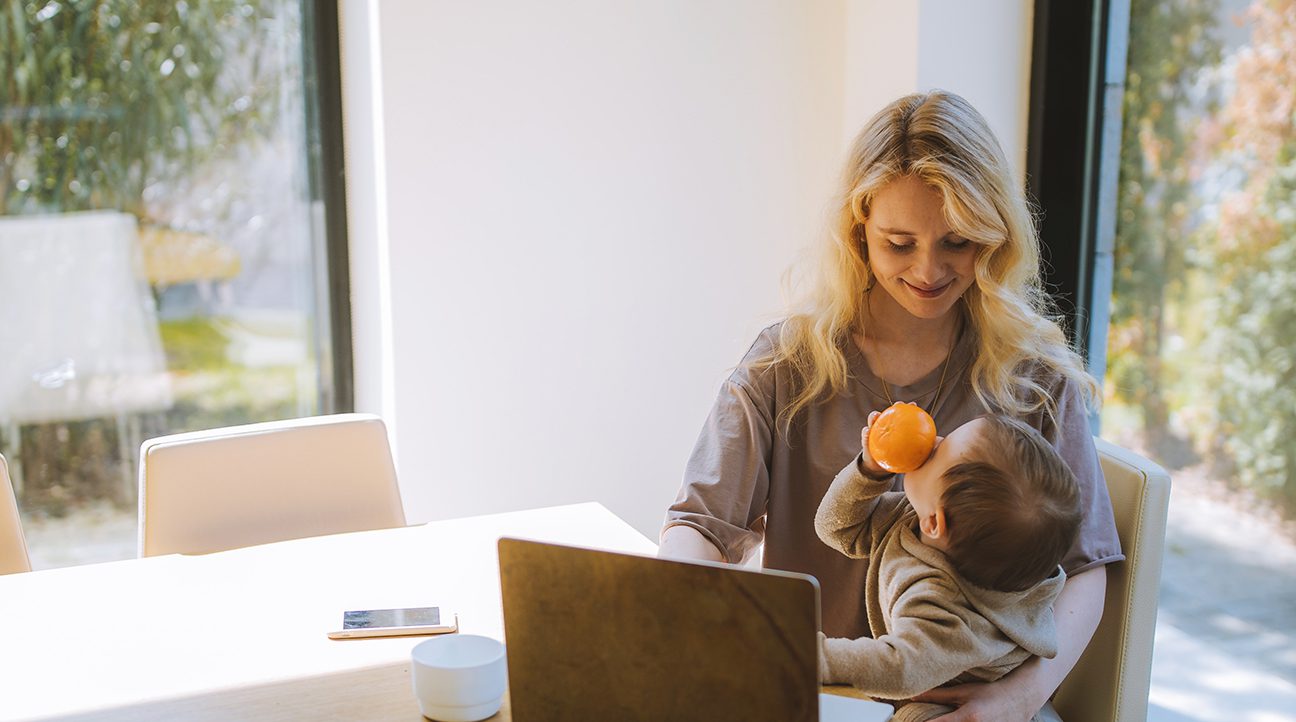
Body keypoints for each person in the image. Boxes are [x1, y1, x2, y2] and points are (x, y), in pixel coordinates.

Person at [658, 90, 1123, 721]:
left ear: (994, 236)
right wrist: (687, 615)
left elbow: (1087, 569)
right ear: (859, 234)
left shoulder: (1035, 379)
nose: (929, 270)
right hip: (811, 690)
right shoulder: (784, 364)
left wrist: (1016, 698)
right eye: (899, 243)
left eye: (957, 241)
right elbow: (700, 525)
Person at [815, 412, 1081, 722]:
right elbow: (836, 528)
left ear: (935, 523)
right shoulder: (918, 519)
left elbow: (899, 666)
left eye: (940, 451)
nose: (934, 440)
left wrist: (811, 655)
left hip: (966, 709)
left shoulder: (944, 609)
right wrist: (870, 469)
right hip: (933, 682)